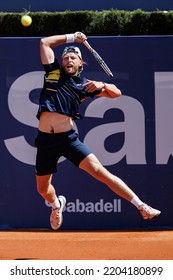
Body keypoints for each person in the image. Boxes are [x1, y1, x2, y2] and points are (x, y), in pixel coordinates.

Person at [35, 31, 161, 230]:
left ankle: (141, 206)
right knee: (43, 189)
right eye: (66, 57)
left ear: (80, 63)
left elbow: (116, 94)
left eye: (73, 57)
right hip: (45, 141)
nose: (68, 59)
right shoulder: (52, 72)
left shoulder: (85, 86)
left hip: (68, 139)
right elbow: (45, 42)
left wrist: (102, 84)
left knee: (100, 172)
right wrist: (71, 37)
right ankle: (56, 205)